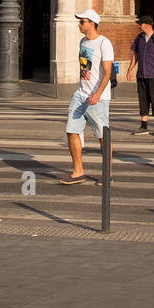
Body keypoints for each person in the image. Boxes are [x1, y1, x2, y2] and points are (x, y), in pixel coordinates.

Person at [59, 10, 114, 184]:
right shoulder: (83, 42)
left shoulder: (104, 43)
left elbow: (107, 72)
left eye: (82, 22)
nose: (80, 24)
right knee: (71, 130)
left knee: (102, 135)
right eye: (80, 22)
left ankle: (107, 173)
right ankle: (78, 171)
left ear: (92, 23)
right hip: (81, 94)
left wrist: (97, 94)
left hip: (98, 97)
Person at [126, 14, 154, 135]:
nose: (139, 27)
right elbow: (135, 55)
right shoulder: (139, 38)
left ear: (147, 25)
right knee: (143, 99)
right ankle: (143, 126)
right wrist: (130, 70)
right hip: (141, 75)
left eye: (140, 24)